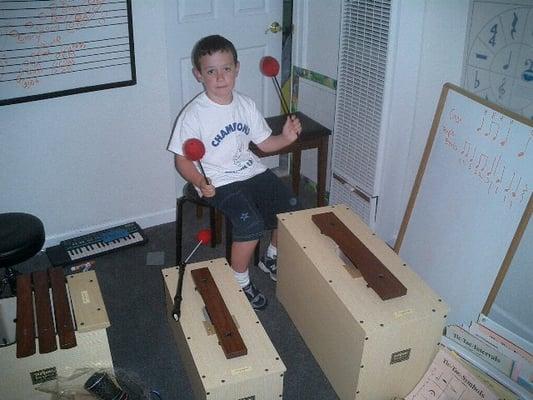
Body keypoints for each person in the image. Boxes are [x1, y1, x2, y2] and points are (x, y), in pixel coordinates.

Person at [167, 35, 301, 310]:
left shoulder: (245, 104)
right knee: (250, 224)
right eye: (211, 71)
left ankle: (270, 257)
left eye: (226, 69)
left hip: (250, 170)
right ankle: (239, 281)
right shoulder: (193, 115)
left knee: (290, 209)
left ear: (236, 69)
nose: (219, 77)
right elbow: (182, 161)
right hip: (218, 181)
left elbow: (264, 144)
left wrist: (286, 138)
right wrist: (199, 180)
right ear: (198, 75)